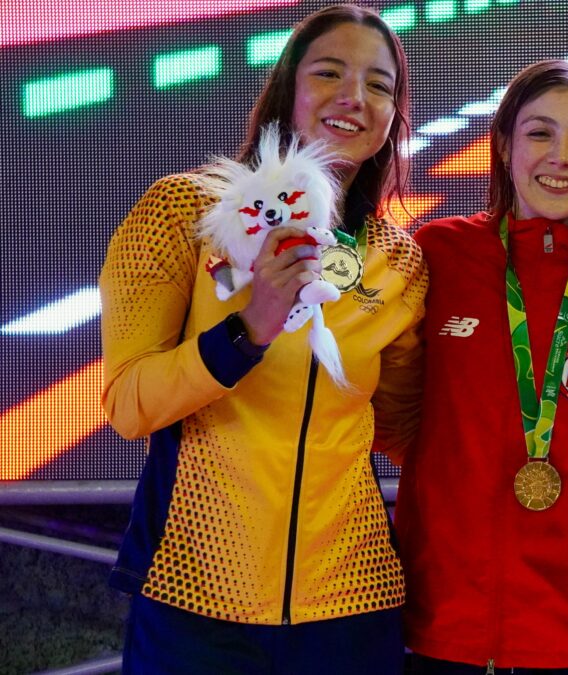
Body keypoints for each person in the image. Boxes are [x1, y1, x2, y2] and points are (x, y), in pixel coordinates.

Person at [99, 6, 425, 672]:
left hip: (351, 603)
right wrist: (249, 330)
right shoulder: (183, 209)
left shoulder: (401, 261)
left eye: (379, 85)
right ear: (286, 89)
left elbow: (400, 425)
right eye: (329, 72)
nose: (354, 98)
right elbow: (130, 404)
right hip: (197, 595)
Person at [395, 60, 568, 674]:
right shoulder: (438, 253)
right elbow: (387, 410)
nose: (560, 156)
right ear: (505, 144)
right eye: (540, 133)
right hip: (447, 624)